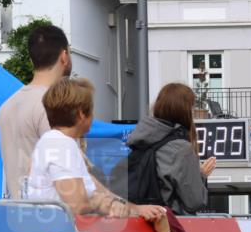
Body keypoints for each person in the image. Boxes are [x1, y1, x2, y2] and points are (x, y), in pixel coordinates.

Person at [24, 78, 165, 223]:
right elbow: (77, 205)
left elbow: (97, 189)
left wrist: (135, 209)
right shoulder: (61, 144)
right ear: (81, 114)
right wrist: (105, 204)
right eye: (91, 110)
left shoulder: (57, 142)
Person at [0, 24, 72, 199]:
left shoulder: (6, 107)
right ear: (64, 56)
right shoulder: (55, 106)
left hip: (15, 216)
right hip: (51, 218)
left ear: (32, 61)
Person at [123, 83, 215, 214]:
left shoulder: (140, 138)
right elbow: (194, 201)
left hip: (136, 221)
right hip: (165, 225)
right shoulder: (182, 149)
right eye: (192, 109)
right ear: (185, 111)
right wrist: (201, 176)